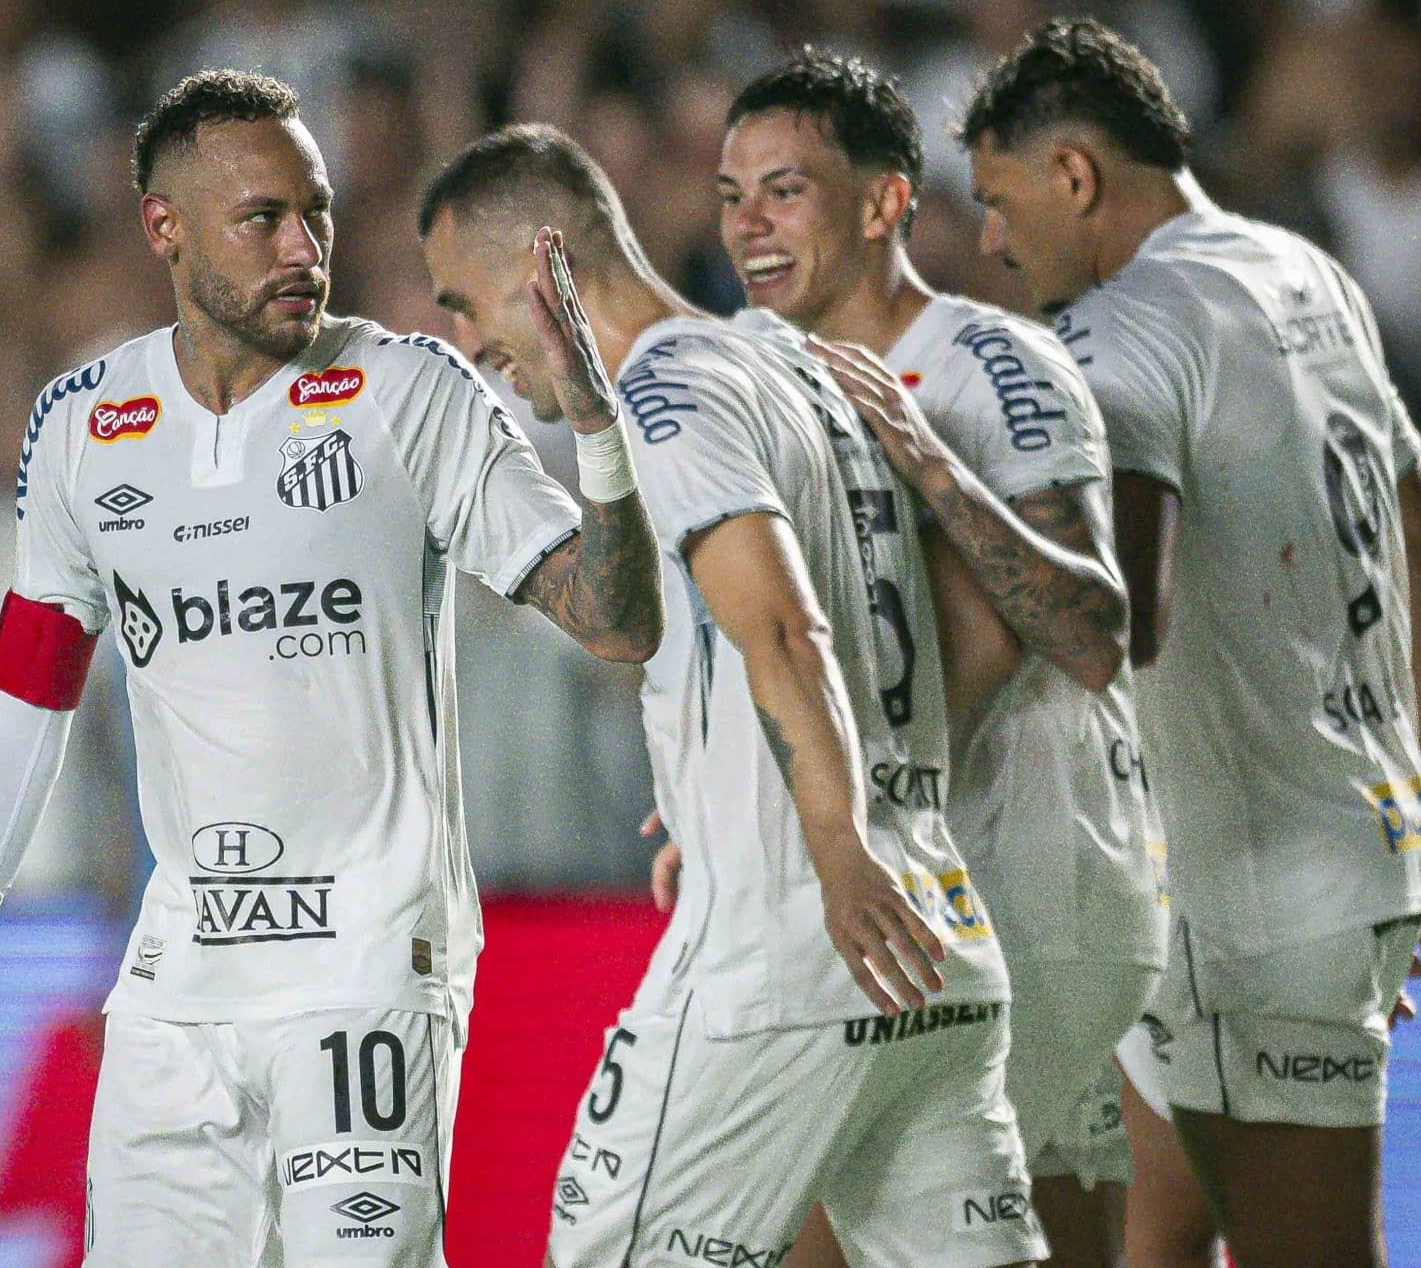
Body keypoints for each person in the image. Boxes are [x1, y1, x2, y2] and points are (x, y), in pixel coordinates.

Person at [0, 69, 665, 1268]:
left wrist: (597, 433)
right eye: (263, 219)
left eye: (317, 213)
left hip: (368, 970)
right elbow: (29, 700)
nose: (304, 249)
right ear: (165, 228)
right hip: (177, 989)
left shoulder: (411, 391)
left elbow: (616, 622)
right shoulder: (83, 424)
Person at [419, 123, 1045, 1268]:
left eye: (464, 303)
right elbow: (984, 634)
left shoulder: (663, 393)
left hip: (791, 944)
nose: (464, 344)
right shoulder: (797, 365)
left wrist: (827, 839)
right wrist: (738, 783)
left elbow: (782, 623)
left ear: (543, 265)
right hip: (937, 939)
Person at [956, 18, 1421, 1268]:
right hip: (1318, 852)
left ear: (1073, 176)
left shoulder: (1119, 330)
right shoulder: (1303, 275)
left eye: (998, 201)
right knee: (1155, 1231)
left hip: (1248, 901)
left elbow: (1111, 616)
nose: (990, 243)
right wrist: (1394, 810)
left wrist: (936, 492)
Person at [717, 49, 1165, 1268]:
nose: (747, 226)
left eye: (783, 192)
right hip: (935, 893)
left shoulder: (990, 362)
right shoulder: (758, 379)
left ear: (882, 204)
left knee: (808, 1229)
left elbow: (1091, 634)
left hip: (1033, 893)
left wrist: (931, 465)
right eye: (731, 196)